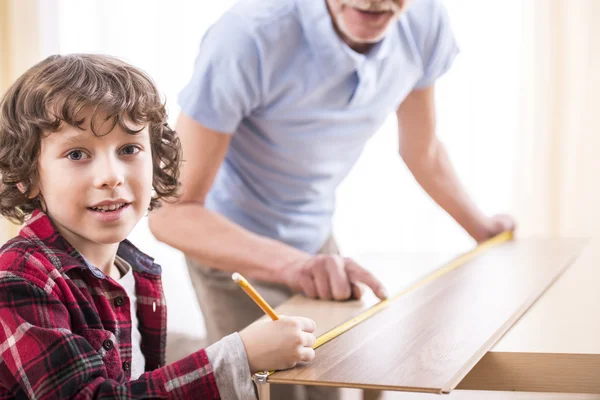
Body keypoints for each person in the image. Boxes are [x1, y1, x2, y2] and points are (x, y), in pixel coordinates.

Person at [149, 0, 516, 398]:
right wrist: (296, 266)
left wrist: (480, 227)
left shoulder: (425, 20)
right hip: (230, 245)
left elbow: (422, 150)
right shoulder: (247, 35)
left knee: (332, 383)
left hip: (315, 240)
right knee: (270, 389)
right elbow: (171, 213)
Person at [0, 54, 317, 399]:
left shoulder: (136, 270)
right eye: (77, 154)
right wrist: (238, 357)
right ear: (27, 176)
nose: (111, 176)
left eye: (129, 148)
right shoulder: (17, 280)